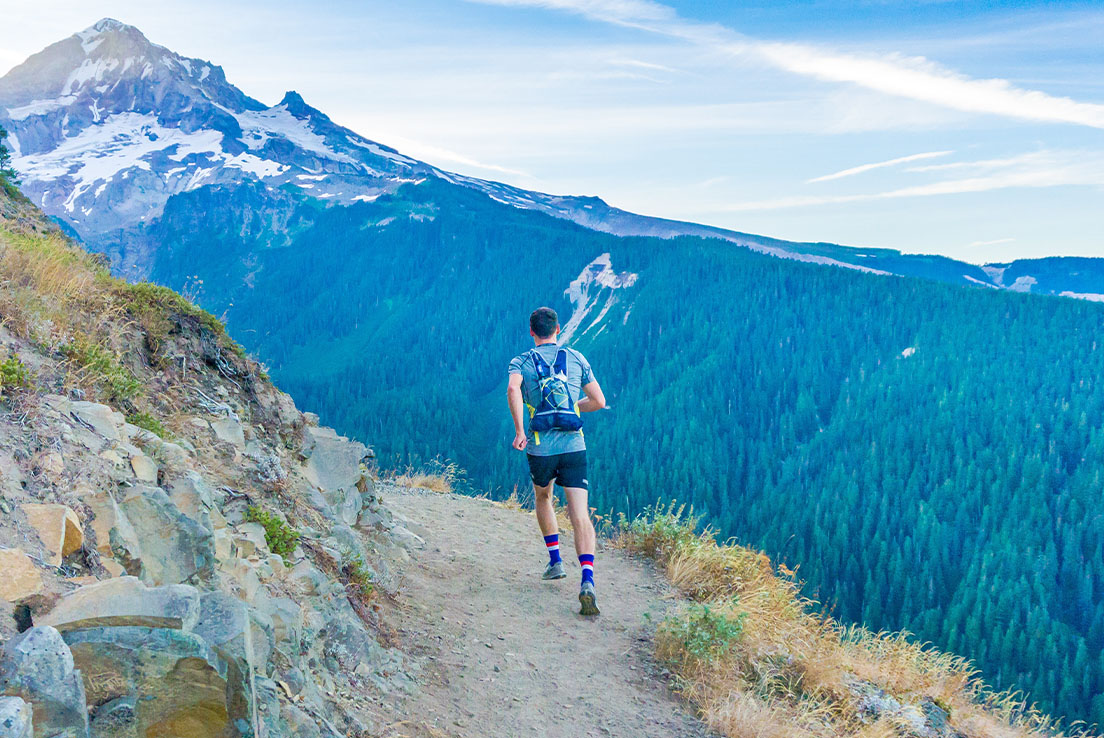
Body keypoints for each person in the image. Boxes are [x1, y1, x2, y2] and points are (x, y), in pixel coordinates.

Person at [507, 307, 607, 616]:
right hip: (574, 446)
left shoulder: (521, 361)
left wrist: (521, 431)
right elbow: (599, 402)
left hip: (541, 448)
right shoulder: (576, 359)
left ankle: (555, 561)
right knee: (580, 514)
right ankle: (587, 580)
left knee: (543, 497)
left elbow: (513, 388)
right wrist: (573, 408)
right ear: (558, 329)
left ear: (532, 332)